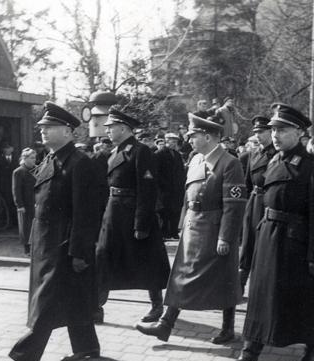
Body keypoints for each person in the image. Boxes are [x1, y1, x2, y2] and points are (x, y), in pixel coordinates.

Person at [218, 104, 314, 361]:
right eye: (273, 130)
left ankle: (312, 352)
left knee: (304, 299)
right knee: (260, 298)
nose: (275, 135)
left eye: (282, 130)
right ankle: (249, 356)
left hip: (296, 243)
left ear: (299, 132)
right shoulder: (272, 161)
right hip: (269, 237)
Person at [0, 102, 102, 361]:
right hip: (45, 243)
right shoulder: (51, 159)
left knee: (44, 304)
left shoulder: (79, 163)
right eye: (42, 127)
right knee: (75, 296)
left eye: (50, 127)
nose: (43, 131)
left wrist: (79, 251)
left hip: (63, 246)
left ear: (67, 131)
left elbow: (85, 212)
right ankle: (87, 346)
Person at [136, 113, 247, 344]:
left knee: (224, 277)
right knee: (181, 275)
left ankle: (227, 328)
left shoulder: (230, 163)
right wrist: (182, 223)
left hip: (214, 229)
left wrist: (225, 237)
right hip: (193, 227)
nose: (189, 140)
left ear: (208, 137)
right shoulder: (196, 160)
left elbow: (234, 206)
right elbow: (188, 196)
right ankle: (165, 325)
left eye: (193, 135)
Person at [95, 107, 170, 324]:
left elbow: (147, 190)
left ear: (123, 128)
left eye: (111, 127)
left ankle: (157, 306)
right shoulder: (114, 152)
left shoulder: (140, 151)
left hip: (133, 213)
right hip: (114, 213)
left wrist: (141, 223)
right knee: (103, 257)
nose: (107, 131)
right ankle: (96, 307)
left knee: (147, 260)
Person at [238, 115, 276, 294]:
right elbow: (247, 182)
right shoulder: (253, 153)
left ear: (270, 132)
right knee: (248, 242)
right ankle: (240, 283)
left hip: (268, 202)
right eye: (256, 132)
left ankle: (260, 285)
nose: (258, 135)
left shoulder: (277, 154)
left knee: (264, 244)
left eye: (261, 132)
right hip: (254, 200)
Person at [154, 133, 186, 240]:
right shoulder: (159, 154)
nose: (174, 143)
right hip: (164, 189)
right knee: (164, 212)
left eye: (175, 141)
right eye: (172, 141)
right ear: (166, 141)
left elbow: (181, 172)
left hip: (176, 189)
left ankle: (173, 231)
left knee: (175, 211)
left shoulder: (177, 155)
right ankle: (164, 233)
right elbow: (156, 173)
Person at [12, 148, 36, 255]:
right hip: (25, 204)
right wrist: (19, 205)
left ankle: (35, 248)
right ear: (24, 159)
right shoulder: (18, 172)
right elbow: (16, 189)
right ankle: (27, 249)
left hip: (35, 202)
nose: (34, 160)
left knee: (35, 226)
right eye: (31, 158)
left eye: (34, 158)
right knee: (26, 227)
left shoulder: (36, 170)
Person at [0, 142, 18, 226]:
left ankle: (15, 222)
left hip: (14, 183)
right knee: (6, 203)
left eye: (8, 148)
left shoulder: (16, 159)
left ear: (12, 149)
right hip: (5, 185)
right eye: (5, 148)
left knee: (15, 202)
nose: (6, 150)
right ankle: (8, 222)